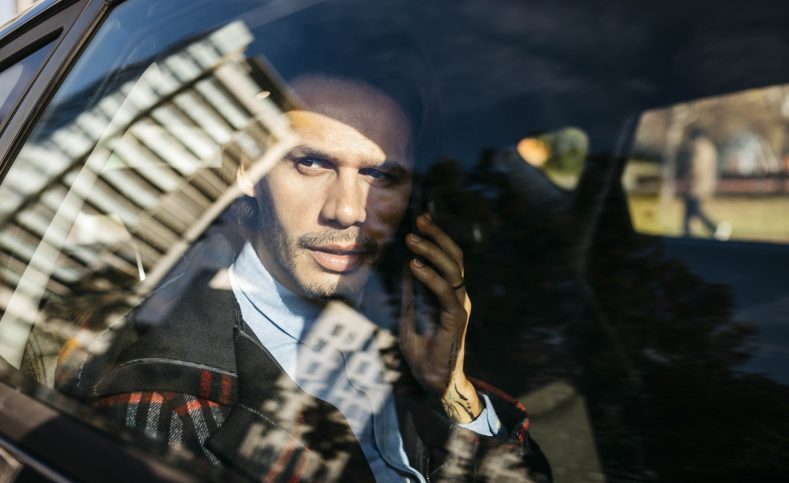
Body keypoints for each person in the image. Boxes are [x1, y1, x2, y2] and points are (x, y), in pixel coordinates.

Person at [57, 62, 550, 483]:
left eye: (379, 175)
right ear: (250, 171)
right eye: (312, 163)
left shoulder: (402, 321)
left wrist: (452, 393)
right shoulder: (162, 402)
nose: (349, 210)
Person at [682, 128, 731, 241]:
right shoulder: (710, 147)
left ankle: (714, 228)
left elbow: (695, 166)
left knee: (693, 209)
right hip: (705, 183)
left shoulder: (698, 147)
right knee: (694, 209)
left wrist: (687, 176)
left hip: (696, 184)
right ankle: (688, 232)